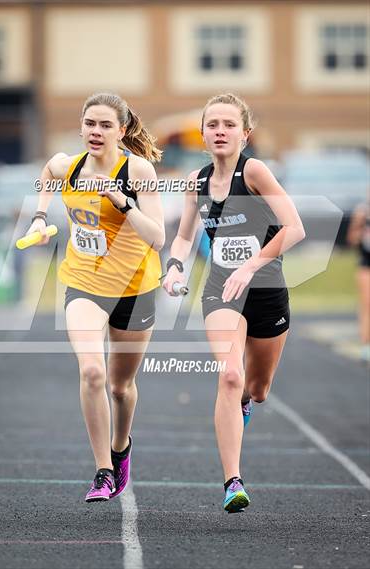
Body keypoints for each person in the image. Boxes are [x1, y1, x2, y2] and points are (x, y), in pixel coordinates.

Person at [163, 93, 305, 513]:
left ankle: (245, 401)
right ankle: (232, 482)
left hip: (266, 291)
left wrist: (253, 264)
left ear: (245, 134)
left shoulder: (255, 171)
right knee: (228, 375)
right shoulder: (196, 181)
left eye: (228, 124)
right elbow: (186, 236)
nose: (220, 131)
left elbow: (294, 228)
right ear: (203, 134)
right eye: (213, 124)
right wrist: (174, 267)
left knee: (257, 390)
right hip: (221, 290)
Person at [25, 93, 165, 501]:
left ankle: (121, 449)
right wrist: (39, 214)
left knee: (121, 388)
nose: (95, 132)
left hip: (135, 289)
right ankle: (103, 470)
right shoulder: (67, 166)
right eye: (89, 124)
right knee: (92, 373)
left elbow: (158, 237)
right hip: (84, 283)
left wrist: (121, 202)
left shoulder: (136, 170)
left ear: (122, 131)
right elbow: (47, 174)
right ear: (81, 126)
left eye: (105, 125)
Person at [347, 198, 370, 363]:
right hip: (366, 266)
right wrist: (360, 228)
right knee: (367, 306)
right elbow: (352, 240)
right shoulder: (362, 212)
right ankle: (366, 346)